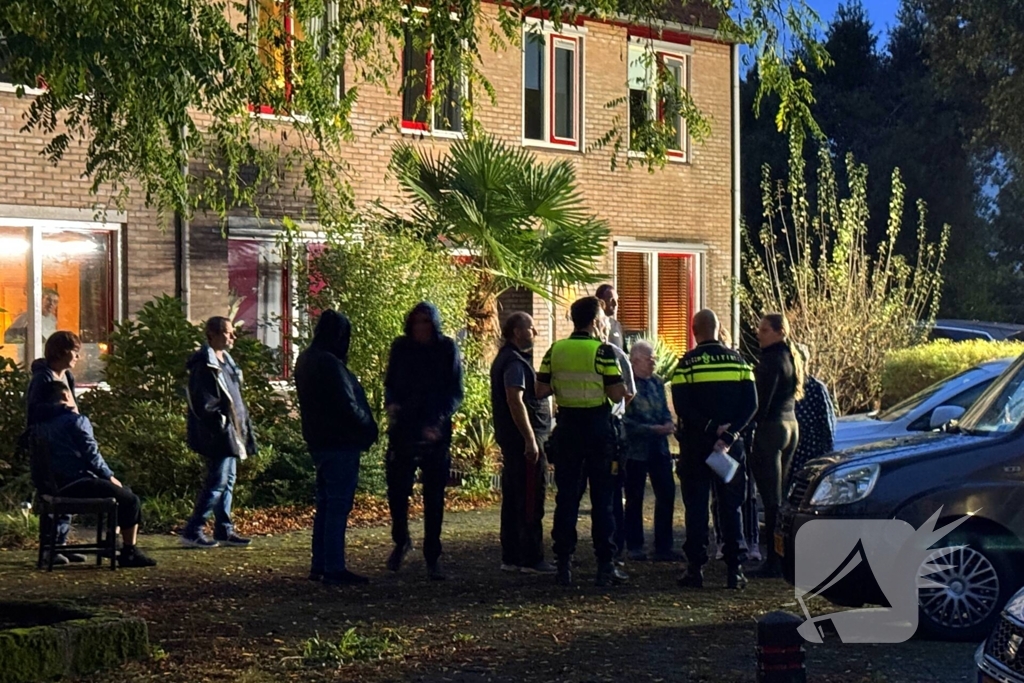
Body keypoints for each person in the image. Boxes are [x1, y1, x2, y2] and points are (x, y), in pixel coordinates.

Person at [536, 296, 632, 587]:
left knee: (567, 499)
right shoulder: (602, 351)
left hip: (567, 429)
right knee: (603, 500)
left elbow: (541, 389)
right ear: (593, 321)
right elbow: (616, 395)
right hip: (598, 430)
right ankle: (605, 566)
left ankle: (563, 564)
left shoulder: (556, 350)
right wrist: (624, 390)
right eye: (602, 316)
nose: (604, 321)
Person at [671, 309, 757, 590]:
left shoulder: (687, 364)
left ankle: (695, 569)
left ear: (694, 331)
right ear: (719, 329)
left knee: (696, 507)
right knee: (731, 506)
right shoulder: (739, 362)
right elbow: (751, 405)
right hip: (730, 449)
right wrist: (729, 434)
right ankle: (735, 571)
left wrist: (710, 428)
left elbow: (682, 407)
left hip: (696, 447)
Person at [295, 310, 379, 586]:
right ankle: (333, 566)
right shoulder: (331, 364)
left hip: (318, 440)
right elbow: (348, 405)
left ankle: (320, 564)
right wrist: (368, 427)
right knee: (337, 505)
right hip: (340, 442)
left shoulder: (306, 360)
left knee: (325, 503)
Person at [33, 383, 156, 567]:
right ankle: (128, 551)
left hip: (54, 487)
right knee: (130, 499)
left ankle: (113, 543)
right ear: (67, 397)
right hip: (77, 483)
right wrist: (109, 476)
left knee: (121, 494)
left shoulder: (40, 426)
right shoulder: (75, 421)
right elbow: (92, 454)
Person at [384, 302, 464, 581]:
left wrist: (437, 421)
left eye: (426, 323)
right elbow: (390, 383)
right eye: (416, 323)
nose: (421, 328)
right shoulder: (401, 348)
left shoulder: (446, 349)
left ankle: (433, 555)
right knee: (397, 489)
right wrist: (391, 404)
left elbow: (455, 392)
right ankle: (401, 539)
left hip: (435, 429)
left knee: (434, 496)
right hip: (404, 426)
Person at [181, 317, 255, 549]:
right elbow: (204, 404)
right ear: (211, 334)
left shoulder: (227, 363)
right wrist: (222, 426)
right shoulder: (205, 365)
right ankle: (194, 529)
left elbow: (235, 397)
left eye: (232, 333)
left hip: (233, 431)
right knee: (217, 481)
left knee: (228, 480)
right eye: (227, 333)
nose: (232, 337)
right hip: (220, 433)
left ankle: (224, 529)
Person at [491, 312, 554, 574]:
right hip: (524, 442)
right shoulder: (514, 363)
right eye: (531, 328)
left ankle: (512, 555)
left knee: (515, 497)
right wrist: (530, 439)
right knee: (530, 498)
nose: (535, 332)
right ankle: (530, 557)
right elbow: (515, 400)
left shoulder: (510, 359)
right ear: (517, 332)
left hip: (516, 440)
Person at [747, 312, 803, 578]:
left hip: (772, 429)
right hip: (791, 425)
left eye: (765, 330)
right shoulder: (791, 357)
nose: (759, 333)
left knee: (771, 500)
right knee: (778, 498)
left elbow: (761, 402)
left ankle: (775, 560)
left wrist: (744, 425)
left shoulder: (769, 361)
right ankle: (782, 556)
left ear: (779, 332)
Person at [24, 330, 84, 564]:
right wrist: (63, 410)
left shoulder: (66, 377)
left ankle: (61, 543)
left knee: (68, 488)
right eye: (74, 351)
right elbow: (34, 412)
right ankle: (50, 546)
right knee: (53, 489)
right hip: (48, 446)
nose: (77, 357)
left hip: (67, 443)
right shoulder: (43, 378)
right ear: (61, 352)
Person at [622, 341, 679, 562]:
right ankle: (634, 545)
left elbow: (665, 409)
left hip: (660, 448)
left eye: (654, 358)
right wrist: (650, 429)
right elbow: (624, 420)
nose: (654, 362)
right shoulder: (627, 385)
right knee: (634, 497)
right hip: (636, 450)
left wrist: (667, 423)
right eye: (650, 358)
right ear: (635, 360)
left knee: (666, 494)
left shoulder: (657, 382)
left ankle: (664, 546)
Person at [711, 327, 761, 563]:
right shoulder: (741, 366)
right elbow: (751, 404)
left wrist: (725, 431)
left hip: (735, 438)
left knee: (743, 495)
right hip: (735, 438)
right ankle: (729, 542)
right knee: (729, 496)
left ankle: (746, 542)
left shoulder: (740, 365)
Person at [787, 343, 836, 489]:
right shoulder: (786, 387)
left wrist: (826, 455)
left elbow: (827, 423)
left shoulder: (816, 388)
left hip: (811, 451)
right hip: (791, 450)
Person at [595, 284, 626, 351]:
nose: (616, 304)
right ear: (601, 302)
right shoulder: (592, 326)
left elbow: (624, 354)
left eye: (617, 300)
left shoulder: (617, 326)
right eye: (612, 300)